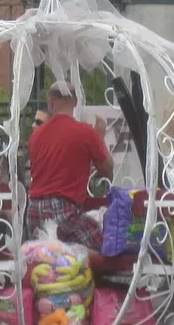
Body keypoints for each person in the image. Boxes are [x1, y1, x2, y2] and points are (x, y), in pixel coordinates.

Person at [24, 81, 113, 249]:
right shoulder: (85, 132)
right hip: (63, 210)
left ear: (50, 102)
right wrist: (99, 137)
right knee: (104, 245)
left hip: (34, 211)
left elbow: (58, 167)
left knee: (47, 256)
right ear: (76, 102)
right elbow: (108, 170)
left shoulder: (35, 136)